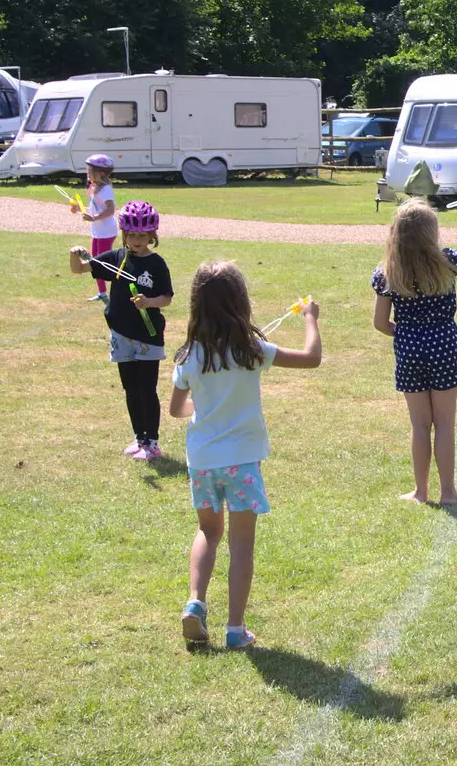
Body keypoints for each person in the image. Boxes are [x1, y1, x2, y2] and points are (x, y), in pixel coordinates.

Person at [169, 263, 321, 650]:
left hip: (202, 460)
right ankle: (235, 629)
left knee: (208, 531)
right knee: (241, 545)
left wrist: (202, 412)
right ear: (240, 303)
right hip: (242, 462)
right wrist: (310, 319)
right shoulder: (251, 350)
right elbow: (311, 357)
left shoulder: (189, 355)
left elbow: (176, 409)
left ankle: (195, 603)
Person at [372, 195, 457, 505]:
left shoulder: (388, 273)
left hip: (408, 349)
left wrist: (404, 335)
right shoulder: (448, 262)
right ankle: (448, 492)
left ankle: (420, 492)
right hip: (443, 346)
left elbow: (379, 323)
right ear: (431, 233)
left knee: (419, 425)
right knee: (444, 424)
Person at [68, 200, 173, 460]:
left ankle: (153, 442)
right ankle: (139, 438)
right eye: (132, 235)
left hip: (147, 337)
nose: (137, 240)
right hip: (121, 335)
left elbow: (167, 297)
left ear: (152, 235)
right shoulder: (116, 258)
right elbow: (80, 269)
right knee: (130, 389)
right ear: (124, 234)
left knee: (147, 389)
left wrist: (149, 302)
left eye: (142, 235)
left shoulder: (157, 264)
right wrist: (74, 254)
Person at [80, 155, 118, 303]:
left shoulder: (106, 189)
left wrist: (94, 218)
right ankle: (102, 293)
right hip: (97, 232)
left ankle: (121, 287)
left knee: (103, 264)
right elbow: (94, 205)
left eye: (90, 171)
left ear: (101, 173)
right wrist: (77, 208)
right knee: (95, 262)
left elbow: (110, 210)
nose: (87, 173)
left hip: (106, 232)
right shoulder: (93, 186)